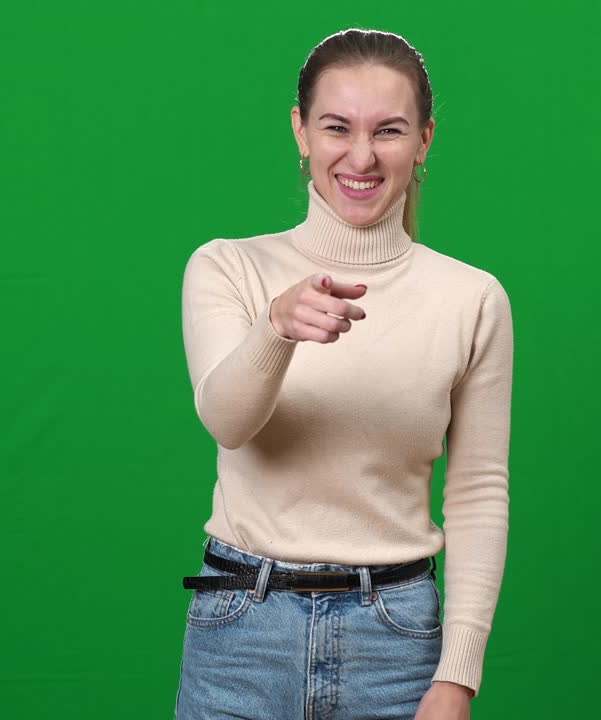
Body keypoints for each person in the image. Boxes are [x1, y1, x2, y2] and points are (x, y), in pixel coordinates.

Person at [175, 27, 513, 720]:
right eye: (336, 127)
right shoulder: (228, 268)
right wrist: (276, 328)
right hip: (241, 630)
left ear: (423, 141)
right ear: (301, 131)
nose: (361, 155)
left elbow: (478, 491)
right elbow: (227, 422)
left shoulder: (471, 298)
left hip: (396, 639)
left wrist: (458, 677)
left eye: (388, 130)